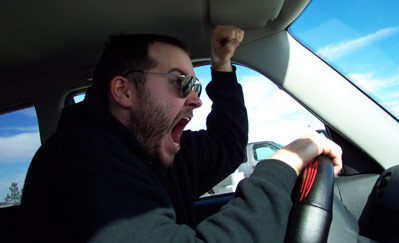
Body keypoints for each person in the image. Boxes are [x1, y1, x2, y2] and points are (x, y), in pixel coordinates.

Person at [21, 25, 342, 242]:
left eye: (196, 84)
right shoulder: (81, 164)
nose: (196, 99)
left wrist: (222, 65)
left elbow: (227, 145)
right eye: (180, 82)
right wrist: (286, 161)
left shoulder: (150, 148)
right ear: (124, 91)